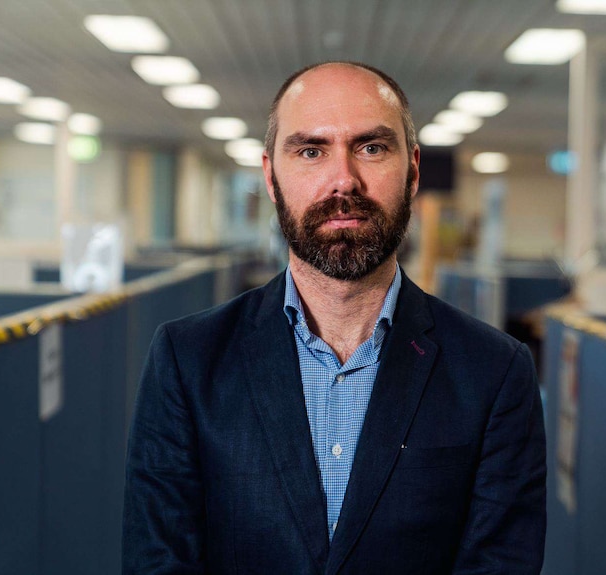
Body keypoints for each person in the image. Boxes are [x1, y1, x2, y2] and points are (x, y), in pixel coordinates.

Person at [122, 61, 546, 574]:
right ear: (271, 177)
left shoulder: (494, 371)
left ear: (412, 171)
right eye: (310, 151)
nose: (343, 179)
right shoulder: (187, 361)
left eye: (371, 147)